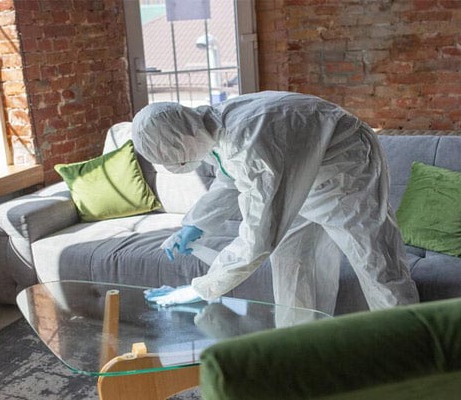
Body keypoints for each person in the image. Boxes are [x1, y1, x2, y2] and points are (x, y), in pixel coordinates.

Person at [132, 91, 419, 314]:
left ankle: (414, 356)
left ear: (185, 135)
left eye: (176, 157)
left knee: (375, 261)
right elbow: (232, 178)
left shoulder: (249, 140)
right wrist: (196, 224)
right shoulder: (210, 129)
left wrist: (202, 288)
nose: (180, 164)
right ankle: (298, 352)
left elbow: (258, 237)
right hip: (299, 167)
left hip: (344, 168)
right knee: (292, 264)